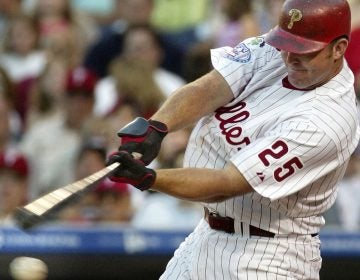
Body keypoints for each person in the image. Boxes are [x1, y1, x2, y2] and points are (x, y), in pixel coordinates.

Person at [107, 0, 360, 279]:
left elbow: (226, 183)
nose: (289, 58)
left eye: (304, 51)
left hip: (267, 256)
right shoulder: (277, 49)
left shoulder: (327, 122)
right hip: (207, 235)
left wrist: (150, 179)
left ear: (338, 49)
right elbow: (213, 86)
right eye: (287, 45)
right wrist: (157, 127)